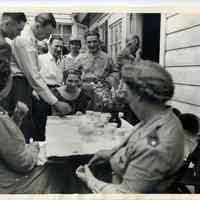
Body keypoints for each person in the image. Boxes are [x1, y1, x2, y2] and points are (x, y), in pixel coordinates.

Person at [76, 60, 185, 193]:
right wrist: (110, 154)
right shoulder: (160, 117)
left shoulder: (155, 146)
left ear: (139, 94)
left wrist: (90, 180)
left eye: (125, 86)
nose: (122, 90)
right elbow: (136, 144)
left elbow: (124, 195)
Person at [2, 13, 71, 142]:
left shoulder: (31, 40)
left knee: (25, 124)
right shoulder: (24, 40)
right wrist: (55, 102)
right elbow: (33, 75)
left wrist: (33, 91)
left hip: (24, 85)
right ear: (38, 26)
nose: (46, 37)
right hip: (18, 86)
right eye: (47, 33)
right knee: (20, 127)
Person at [0, 58, 65, 193]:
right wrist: (34, 148)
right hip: (7, 185)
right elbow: (23, 163)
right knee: (62, 171)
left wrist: (16, 119)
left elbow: (5, 142)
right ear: (5, 84)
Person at [32, 34, 65, 141]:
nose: (59, 49)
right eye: (56, 46)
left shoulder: (62, 61)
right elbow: (32, 75)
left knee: (55, 126)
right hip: (43, 95)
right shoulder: (41, 58)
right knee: (40, 126)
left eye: (61, 47)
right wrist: (34, 92)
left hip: (57, 94)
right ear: (49, 45)